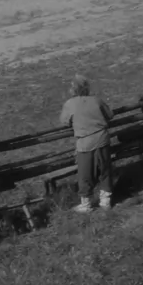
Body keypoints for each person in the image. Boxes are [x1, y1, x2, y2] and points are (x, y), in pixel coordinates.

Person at [59, 75, 114, 212]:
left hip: (85, 143)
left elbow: (64, 122)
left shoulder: (70, 104)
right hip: (102, 139)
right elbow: (110, 115)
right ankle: (106, 201)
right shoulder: (96, 100)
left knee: (85, 174)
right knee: (105, 171)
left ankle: (86, 204)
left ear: (73, 89)